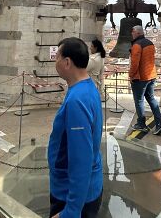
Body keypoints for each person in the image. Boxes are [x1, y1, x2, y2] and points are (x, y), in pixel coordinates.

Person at [48, 37, 103, 218]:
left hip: (70, 197)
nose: (54, 61)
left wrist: (70, 212)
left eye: (57, 57)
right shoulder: (87, 88)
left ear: (67, 62)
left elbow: (81, 158)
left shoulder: (77, 100)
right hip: (84, 190)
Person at [129, 25, 161, 135]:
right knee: (151, 98)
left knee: (139, 100)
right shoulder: (150, 43)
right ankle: (159, 123)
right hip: (151, 75)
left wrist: (131, 75)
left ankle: (141, 124)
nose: (131, 33)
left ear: (138, 33)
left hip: (140, 77)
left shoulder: (136, 45)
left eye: (133, 31)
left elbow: (135, 63)